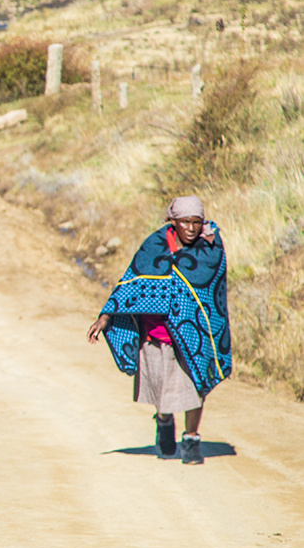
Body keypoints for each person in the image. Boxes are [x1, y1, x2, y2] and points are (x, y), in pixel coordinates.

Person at [87, 195, 231, 464]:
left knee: (195, 387)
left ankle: (190, 439)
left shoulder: (210, 248)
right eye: (185, 222)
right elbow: (131, 280)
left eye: (196, 222)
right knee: (162, 390)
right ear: (173, 222)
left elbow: (211, 294)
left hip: (193, 336)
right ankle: (164, 420)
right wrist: (105, 317)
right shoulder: (154, 245)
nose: (191, 228)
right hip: (155, 334)